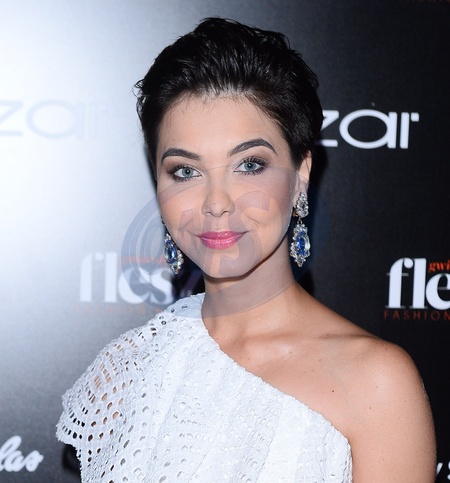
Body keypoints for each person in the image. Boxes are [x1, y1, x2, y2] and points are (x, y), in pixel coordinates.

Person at [57, 18, 435, 481]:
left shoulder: (376, 383)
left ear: (301, 174)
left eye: (249, 165)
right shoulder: (123, 375)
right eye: (185, 171)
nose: (216, 203)